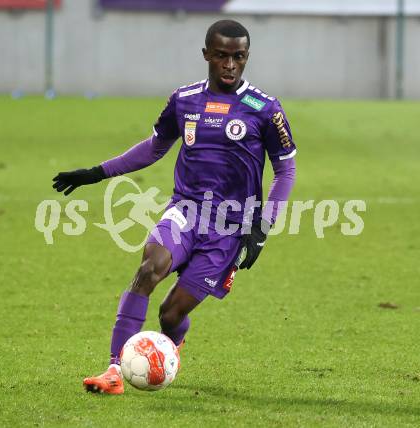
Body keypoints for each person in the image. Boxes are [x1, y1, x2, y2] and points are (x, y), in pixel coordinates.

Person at [53, 19, 296, 394]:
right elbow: (154, 147)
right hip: (186, 210)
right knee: (149, 268)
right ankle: (115, 370)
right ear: (206, 56)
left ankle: (173, 343)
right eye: (221, 56)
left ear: (246, 58)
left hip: (230, 229)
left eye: (238, 57)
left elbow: (286, 170)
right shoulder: (185, 100)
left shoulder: (264, 109)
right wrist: (97, 172)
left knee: (170, 314)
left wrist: (261, 227)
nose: (229, 65)